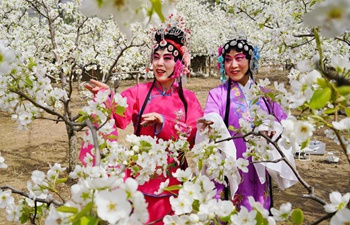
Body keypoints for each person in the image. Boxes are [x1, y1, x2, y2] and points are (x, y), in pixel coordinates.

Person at [80, 14, 203, 224]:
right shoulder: (139, 92)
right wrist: (107, 97)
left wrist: (163, 123)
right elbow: (119, 114)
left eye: (167, 58)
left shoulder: (188, 99)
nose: (160, 64)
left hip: (174, 177)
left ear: (179, 63)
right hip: (140, 173)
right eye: (156, 58)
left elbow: (194, 135)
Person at [197, 37, 297, 211]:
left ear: (251, 61)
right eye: (228, 59)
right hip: (230, 166)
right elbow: (211, 113)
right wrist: (212, 122)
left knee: (256, 211)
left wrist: (275, 130)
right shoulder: (218, 94)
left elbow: (285, 124)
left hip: (257, 168)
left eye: (239, 58)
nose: (233, 65)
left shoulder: (267, 96)